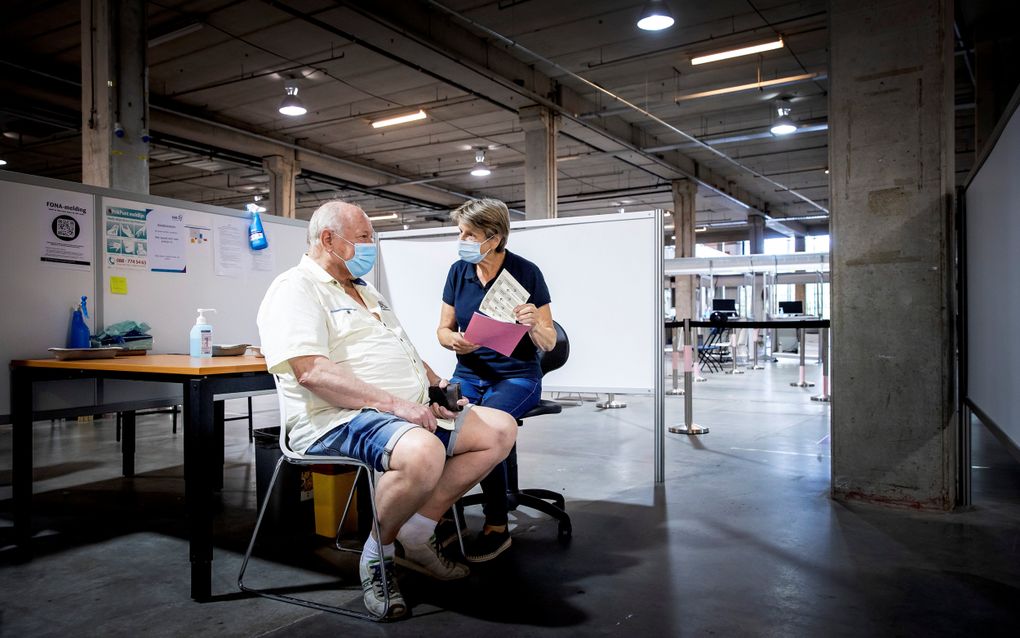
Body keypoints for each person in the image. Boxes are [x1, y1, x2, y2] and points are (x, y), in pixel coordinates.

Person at [257, 200, 517, 620]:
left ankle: (416, 533)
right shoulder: (295, 288)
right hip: (335, 417)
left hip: (400, 411)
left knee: (499, 430)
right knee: (423, 451)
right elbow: (311, 373)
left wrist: (439, 389)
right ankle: (379, 555)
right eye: (363, 238)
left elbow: (406, 351)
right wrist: (397, 406)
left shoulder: (363, 289)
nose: (370, 246)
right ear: (328, 239)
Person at [436, 198, 557, 563]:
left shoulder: (526, 272)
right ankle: (439, 514)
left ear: (495, 237)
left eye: (469, 234)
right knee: (440, 420)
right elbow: (442, 330)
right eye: (461, 232)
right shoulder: (459, 272)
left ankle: (496, 522)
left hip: (517, 376)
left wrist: (534, 321)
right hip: (469, 372)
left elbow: (550, 341)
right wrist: (453, 340)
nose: (462, 240)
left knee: (487, 425)